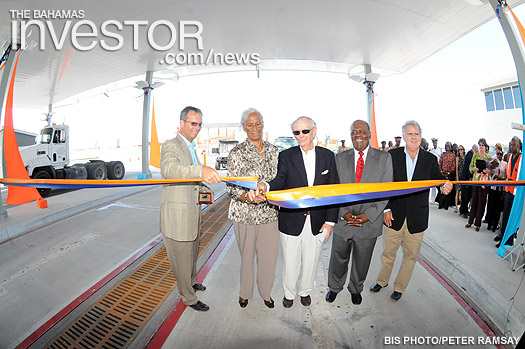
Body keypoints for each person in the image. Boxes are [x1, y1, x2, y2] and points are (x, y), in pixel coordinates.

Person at [251, 116, 339, 308]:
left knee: (312, 260)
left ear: (314, 132)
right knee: (290, 261)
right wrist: (265, 185)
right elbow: (280, 180)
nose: (300, 136)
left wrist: (330, 222)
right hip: (291, 221)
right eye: (296, 132)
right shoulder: (287, 156)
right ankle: (289, 294)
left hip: (317, 221)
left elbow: (334, 190)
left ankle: (305, 292)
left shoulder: (327, 156)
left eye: (304, 131)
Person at [370, 120, 452, 301]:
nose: (413, 137)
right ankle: (382, 281)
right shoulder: (392, 155)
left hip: (417, 217)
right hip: (394, 214)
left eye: (416, 134)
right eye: (410, 134)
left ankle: (399, 287)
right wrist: (386, 209)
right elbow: (384, 185)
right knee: (388, 253)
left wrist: (445, 186)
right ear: (404, 137)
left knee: (410, 256)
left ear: (420, 136)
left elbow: (438, 180)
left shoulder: (430, 159)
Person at [160, 106, 222, 312]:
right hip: (178, 216)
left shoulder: (191, 147)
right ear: (182, 123)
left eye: (199, 124)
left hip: (192, 211)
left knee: (192, 252)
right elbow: (170, 170)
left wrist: (204, 190)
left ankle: (192, 281)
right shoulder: (171, 145)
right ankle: (188, 297)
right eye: (193, 123)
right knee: (182, 258)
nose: (197, 128)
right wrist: (200, 170)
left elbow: (192, 180)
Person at [325, 120, 393, 305]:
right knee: (338, 257)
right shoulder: (339, 158)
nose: (358, 135)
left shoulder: (384, 158)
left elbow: (386, 191)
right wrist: (344, 212)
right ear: (350, 135)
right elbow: (333, 189)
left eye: (362, 131)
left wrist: (367, 216)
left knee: (362, 260)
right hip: (343, 219)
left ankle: (356, 288)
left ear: (369, 134)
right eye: (354, 132)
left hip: (369, 221)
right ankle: (334, 287)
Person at [226, 108, 280, 309]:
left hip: (269, 213)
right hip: (244, 214)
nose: (254, 128)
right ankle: (244, 293)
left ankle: (266, 293)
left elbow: (279, 180)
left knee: (268, 257)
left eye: (257, 123)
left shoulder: (274, 151)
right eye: (250, 124)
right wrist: (246, 196)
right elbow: (231, 185)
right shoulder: (236, 153)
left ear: (263, 124)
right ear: (243, 127)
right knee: (246, 257)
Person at [495, 136, 522, 247]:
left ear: (519, 146)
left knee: (511, 217)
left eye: (514, 144)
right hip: (508, 190)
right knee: (505, 215)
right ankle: (501, 235)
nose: (512, 146)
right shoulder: (510, 157)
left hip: (516, 193)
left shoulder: (522, 158)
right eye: (511, 144)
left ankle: (508, 241)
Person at [465, 138, 491, 232]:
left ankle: (478, 223)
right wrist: (474, 169)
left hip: (484, 182)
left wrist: (487, 171)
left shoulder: (488, 157)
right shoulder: (475, 155)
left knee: (481, 203)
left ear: (486, 146)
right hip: (476, 180)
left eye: (482, 145)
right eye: (479, 145)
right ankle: (470, 221)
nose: (481, 146)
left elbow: (491, 170)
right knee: (474, 201)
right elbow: (470, 167)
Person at [485, 149, 506, 233]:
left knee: (497, 208)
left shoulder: (505, 164)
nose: (499, 155)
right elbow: (489, 172)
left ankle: (494, 225)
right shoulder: (493, 162)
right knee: (491, 206)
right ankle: (489, 224)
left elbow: (506, 176)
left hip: (500, 188)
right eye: (498, 153)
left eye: (501, 154)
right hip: (493, 187)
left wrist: (501, 178)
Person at [459, 144, 478, 218]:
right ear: (475, 149)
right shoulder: (470, 154)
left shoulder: (470, 154)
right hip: (466, 178)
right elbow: (468, 167)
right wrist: (469, 176)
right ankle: (462, 211)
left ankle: (465, 210)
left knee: (467, 195)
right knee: (465, 195)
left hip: (467, 177)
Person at [437, 141, 456, 210]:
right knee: (441, 189)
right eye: (447, 145)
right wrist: (441, 171)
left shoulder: (453, 155)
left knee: (448, 189)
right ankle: (440, 204)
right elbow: (440, 163)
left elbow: (454, 165)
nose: (448, 147)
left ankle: (446, 205)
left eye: (449, 145)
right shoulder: (443, 154)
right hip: (442, 173)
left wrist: (450, 172)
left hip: (449, 174)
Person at [455, 145, 467, 213]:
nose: (460, 151)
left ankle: (461, 206)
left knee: (463, 192)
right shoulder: (458, 158)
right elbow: (457, 168)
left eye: (461, 149)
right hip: (459, 175)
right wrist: (457, 177)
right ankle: (456, 206)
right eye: (459, 150)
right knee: (457, 191)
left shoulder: (465, 157)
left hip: (464, 175)